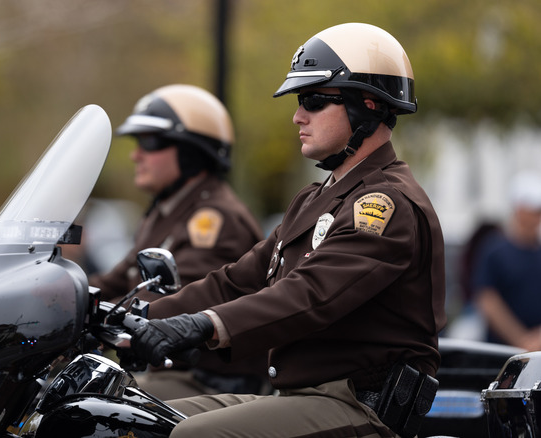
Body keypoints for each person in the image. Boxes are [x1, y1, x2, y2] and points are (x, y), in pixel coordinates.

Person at [129, 23, 446, 438]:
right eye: (300, 101)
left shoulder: (386, 205)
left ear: (367, 105)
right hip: (297, 396)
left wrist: (201, 325)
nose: (298, 115)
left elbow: (311, 294)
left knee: (193, 436)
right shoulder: (314, 200)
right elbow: (235, 282)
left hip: (354, 405)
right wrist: (137, 317)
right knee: (131, 414)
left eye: (313, 100)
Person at [89, 84, 268, 399]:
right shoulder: (165, 211)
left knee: (94, 407)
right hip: (169, 371)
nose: (136, 154)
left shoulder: (214, 219)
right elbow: (120, 278)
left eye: (149, 141)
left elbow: (186, 296)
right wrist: (62, 293)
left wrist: (105, 314)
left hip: (208, 380)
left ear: (191, 151)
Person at [474, 171, 541, 350]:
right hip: (502, 354)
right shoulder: (495, 250)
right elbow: (487, 300)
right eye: (535, 210)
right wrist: (522, 340)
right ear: (519, 209)